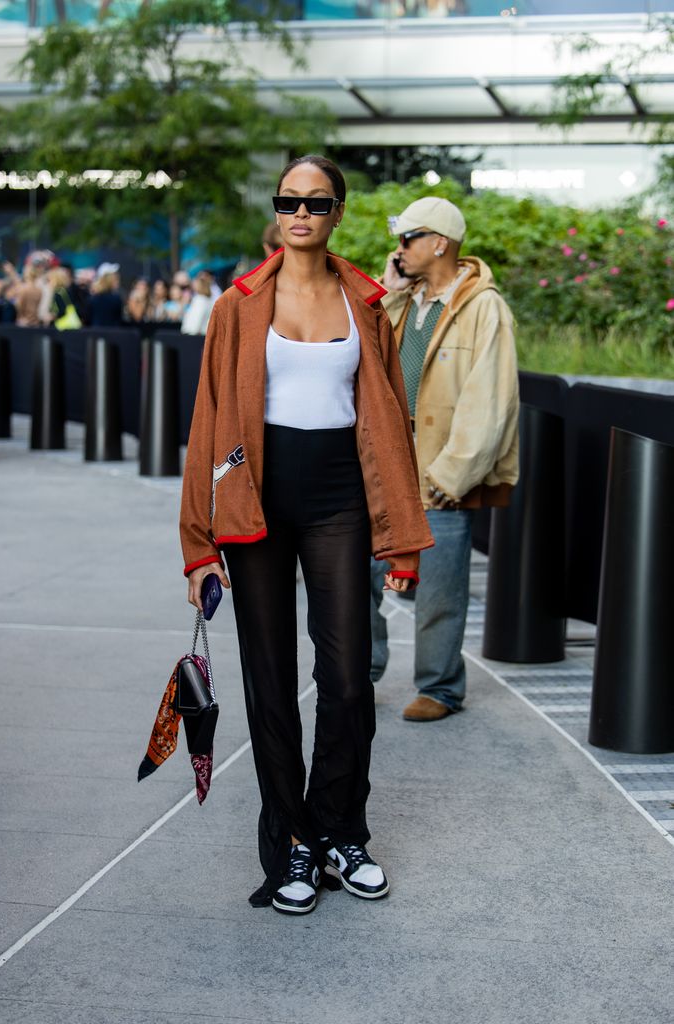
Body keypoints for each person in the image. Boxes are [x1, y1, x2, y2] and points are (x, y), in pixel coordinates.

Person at [180, 154, 432, 915]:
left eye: (316, 202)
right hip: (255, 496)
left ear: (337, 213)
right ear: (277, 211)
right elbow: (205, 425)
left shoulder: (366, 300)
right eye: (288, 200)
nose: (300, 213)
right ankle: (290, 841)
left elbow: (387, 413)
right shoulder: (237, 305)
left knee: (348, 678)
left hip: (339, 497)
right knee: (268, 681)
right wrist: (198, 545)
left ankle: (341, 831)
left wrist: (400, 523)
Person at [371, 196, 519, 722]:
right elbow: (364, 352)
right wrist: (387, 293)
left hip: (439, 472)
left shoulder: (484, 307)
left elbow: (491, 400)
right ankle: (361, 674)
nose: (399, 248)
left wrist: (451, 474)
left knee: (438, 587)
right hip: (385, 466)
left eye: (409, 238)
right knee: (360, 575)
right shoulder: (404, 300)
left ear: (440, 243)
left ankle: (440, 687)